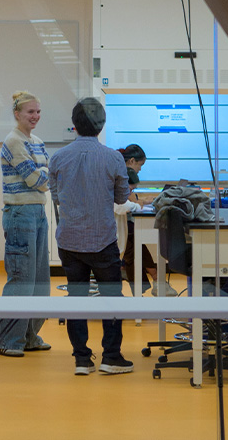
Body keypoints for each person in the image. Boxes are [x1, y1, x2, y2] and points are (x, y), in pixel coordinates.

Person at [49, 97, 132, 376]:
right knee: (112, 296)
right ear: (102, 124)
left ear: (74, 125)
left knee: (76, 295)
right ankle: (111, 357)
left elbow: (56, 198)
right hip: (103, 240)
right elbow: (121, 198)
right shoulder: (113, 157)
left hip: (69, 241)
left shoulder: (58, 158)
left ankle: (82, 360)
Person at [0, 90, 52, 357]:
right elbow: (37, 180)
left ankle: (29, 336)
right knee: (21, 280)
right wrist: (45, 176)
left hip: (38, 212)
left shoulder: (37, 141)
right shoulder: (13, 140)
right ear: (17, 114)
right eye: (31, 112)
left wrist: (45, 176)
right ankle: (7, 340)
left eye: (38, 111)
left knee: (40, 281)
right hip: (20, 214)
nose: (35, 116)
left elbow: (48, 177)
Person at [117, 143, 159, 293]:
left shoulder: (121, 172)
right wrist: (139, 202)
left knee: (134, 243)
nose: (140, 169)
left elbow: (130, 201)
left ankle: (151, 280)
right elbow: (127, 203)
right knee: (134, 241)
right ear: (132, 161)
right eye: (140, 165)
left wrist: (140, 201)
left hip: (120, 223)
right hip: (113, 225)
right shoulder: (120, 175)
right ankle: (155, 276)